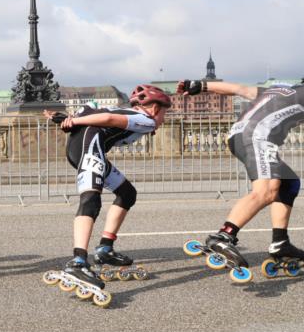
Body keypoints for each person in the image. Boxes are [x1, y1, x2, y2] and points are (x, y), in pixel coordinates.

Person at [43, 84, 173, 293]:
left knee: (127, 193)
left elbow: (93, 109)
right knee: (91, 200)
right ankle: (78, 262)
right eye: (164, 113)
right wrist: (73, 120)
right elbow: (109, 120)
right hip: (90, 147)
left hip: (88, 146)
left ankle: (105, 248)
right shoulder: (146, 119)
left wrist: (67, 118)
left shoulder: (127, 111)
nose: (163, 119)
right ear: (155, 109)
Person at [178, 78, 304, 272]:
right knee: (267, 190)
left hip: (239, 135)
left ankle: (280, 242)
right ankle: (223, 236)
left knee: (288, 183)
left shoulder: (275, 91)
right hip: (257, 136)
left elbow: (239, 88)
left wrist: (199, 86)